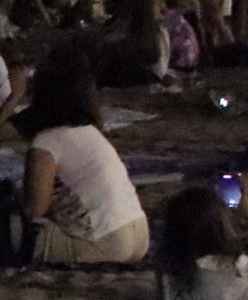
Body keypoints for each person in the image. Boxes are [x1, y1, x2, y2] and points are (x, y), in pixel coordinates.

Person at [15, 55, 148, 264]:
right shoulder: (91, 133)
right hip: (139, 233)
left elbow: (36, 211)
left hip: (106, 243)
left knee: (9, 230)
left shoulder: (46, 142)